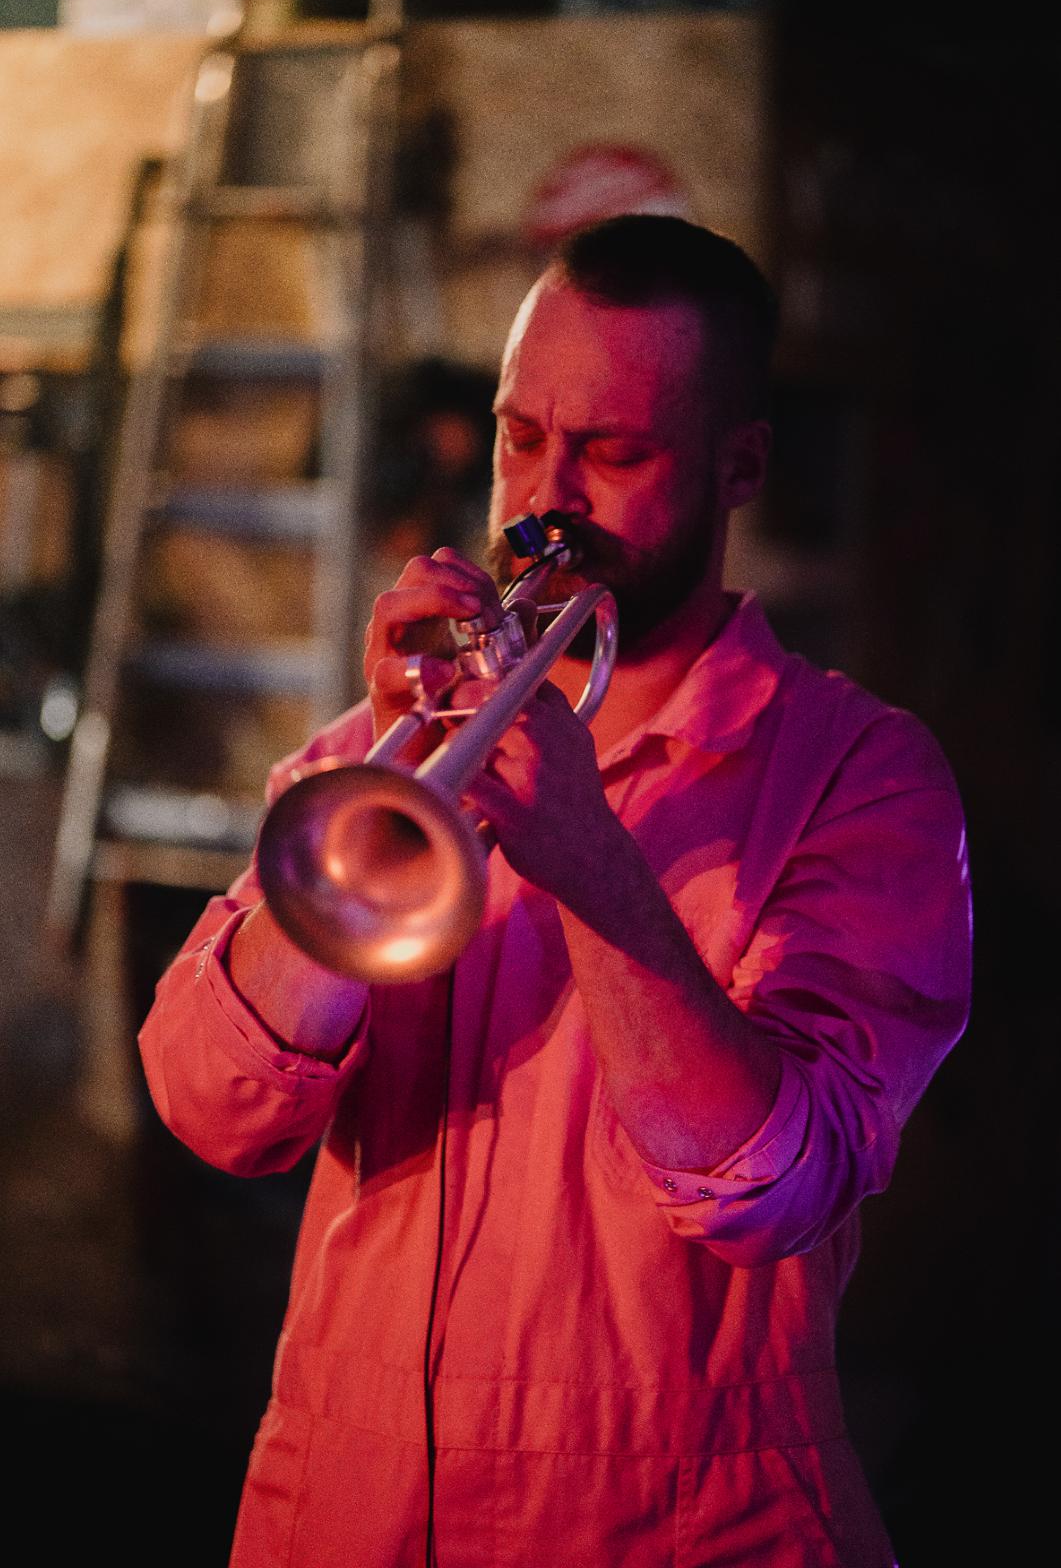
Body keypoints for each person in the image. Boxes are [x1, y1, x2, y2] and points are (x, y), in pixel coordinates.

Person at [139, 215, 972, 1567]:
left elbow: (773, 1190)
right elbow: (210, 1106)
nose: (545, 497)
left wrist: (593, 866)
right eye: (520, 436)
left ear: (739, 466)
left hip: (675, 1524)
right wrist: (381, 760)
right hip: (340, 1513)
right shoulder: (376, 755)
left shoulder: (856, 774)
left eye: (613, 453)